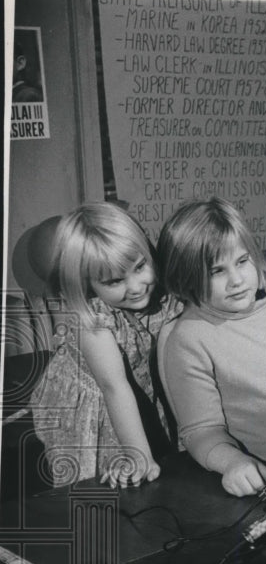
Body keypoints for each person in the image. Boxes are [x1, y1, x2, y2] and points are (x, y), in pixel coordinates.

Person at [156, 197, 266, 497]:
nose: (236, 280)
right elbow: (199, 431)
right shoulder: (188, 337)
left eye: (242, 261)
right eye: (217, 271)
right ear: (185, 276)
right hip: (264, 482)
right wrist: (234, 464)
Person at [29, 203, 181, 487]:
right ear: (86, 284)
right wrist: (140, 457)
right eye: (114, 281)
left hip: (137, 391)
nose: (136, 287)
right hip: (97, 402)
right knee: (102, 482)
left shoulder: (159, 296)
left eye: (140, 267)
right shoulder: (93, 321)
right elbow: (114, 387)